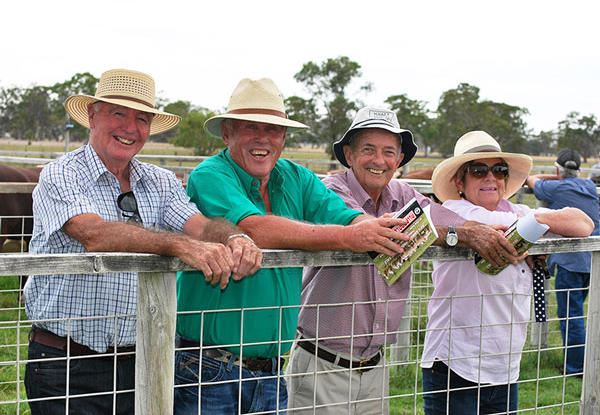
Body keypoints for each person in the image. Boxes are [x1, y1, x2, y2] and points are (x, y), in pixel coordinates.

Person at [23, 69, 262, 415]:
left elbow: (199, 226)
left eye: (142, 118)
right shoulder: (62, 173)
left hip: (144, 360)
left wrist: (234, 236)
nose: (130, 128)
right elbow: (93, 233)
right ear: (92, 116)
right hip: (67, 362)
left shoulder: (160, 181)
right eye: (118, 113)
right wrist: (177, 246)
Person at [173, 80, 415, 415]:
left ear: (284, 138)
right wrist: (352, 237)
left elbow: (344, 216)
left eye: (273, 130)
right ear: (227, 134)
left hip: (271, 369)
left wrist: (366, 227)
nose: (264, 139)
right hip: (210, 366)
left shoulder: (296, 177)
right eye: (251, 128)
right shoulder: (211, 175)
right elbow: (253, 227)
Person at [285, 107, 522, 415]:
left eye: (388, 152)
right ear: (349, 154)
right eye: (368, 150)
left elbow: (451, 218)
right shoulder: (331, 190)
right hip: (323, 361)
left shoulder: (402, 192)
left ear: (399, 159)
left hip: (374, 365)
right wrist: (459, 235)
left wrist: (490, 232)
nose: (379, 160)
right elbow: (384, 232)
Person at [420, 131, 594, 415]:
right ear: (459, 181)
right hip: (455, 361)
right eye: (478, 170)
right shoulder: (451, 211)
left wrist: (535, 221)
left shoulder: (521, 211)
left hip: (505, 365)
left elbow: (583, 223)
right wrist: (536, 229)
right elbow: (492, 223)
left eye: (499, 170)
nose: (491, 177)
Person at [526, 149, 600, 376]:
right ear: (579, 170)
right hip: (590, 260)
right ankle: (580, 361)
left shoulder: (556, 187)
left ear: (558, 169)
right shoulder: (589, 186)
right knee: (578, 312)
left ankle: (576, 367)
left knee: (571, 315)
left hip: (570, 261)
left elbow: (531, 180)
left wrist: (551, 177)